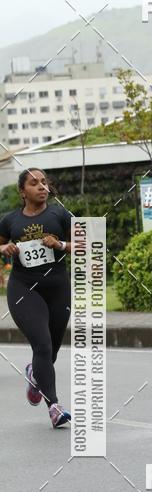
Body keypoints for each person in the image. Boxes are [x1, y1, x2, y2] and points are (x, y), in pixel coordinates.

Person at [0, 168, 72, 427]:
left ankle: (34, 373)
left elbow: (88, 243)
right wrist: (4, 247)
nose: (42, 187)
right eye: (34, 183)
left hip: (58, 288)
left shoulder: (60, 215)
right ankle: (54, 406)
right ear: (23, 192)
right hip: (24, 289)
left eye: (44, 182)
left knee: (50, 350)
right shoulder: (10, 221)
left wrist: (61, 245)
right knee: (41, 345)